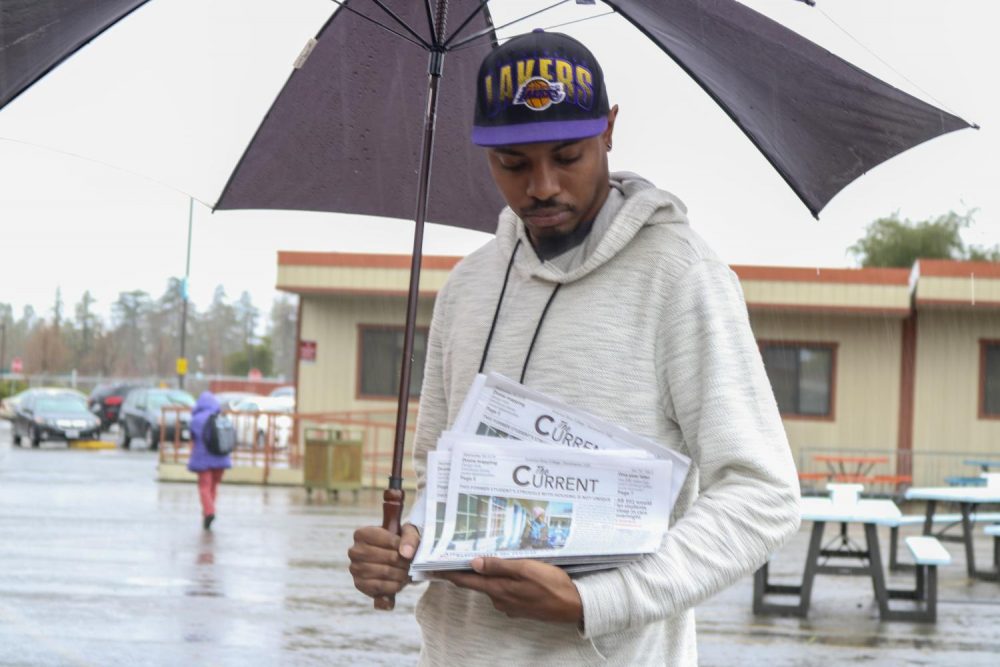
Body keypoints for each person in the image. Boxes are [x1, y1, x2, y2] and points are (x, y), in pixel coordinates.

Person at [348, 30, 801, 665]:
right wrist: (404, 548)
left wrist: (598, 602)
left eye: (567, 155)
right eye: (513, 164)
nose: (542, 187)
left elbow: (763, 496)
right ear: (483, 150)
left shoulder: (681, 275)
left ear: (608, 130)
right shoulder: (468, 286)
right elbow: (439, 474)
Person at [188, 391, 231, 531]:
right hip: (221, 458)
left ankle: (209, 512)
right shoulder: (221, 417)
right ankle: (208, 511)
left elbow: (192, 439)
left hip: (203, 460)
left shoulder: (196, 420)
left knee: (204, 487)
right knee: (213, 487)